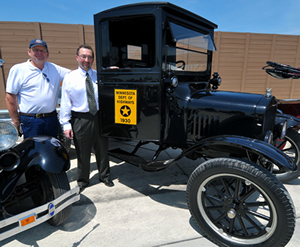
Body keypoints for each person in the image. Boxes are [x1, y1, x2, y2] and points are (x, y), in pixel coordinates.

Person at [60, 44, 113, 192]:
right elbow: (65, 102)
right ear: (77, 58)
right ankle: (83, 180)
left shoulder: (99, 76)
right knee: (82, 152)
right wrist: (66, 124)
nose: (86, 60)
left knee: (102, 149)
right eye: (83, 56)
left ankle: (105, 176)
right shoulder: (70, 78)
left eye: (90, 57)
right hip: (81, 119)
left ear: (93, 59)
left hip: (99, 117)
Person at [5, 39, 70, 139]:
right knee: (32, 150)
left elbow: (75, 75)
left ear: (47, 54)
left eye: (42, 50)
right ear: (29, 52)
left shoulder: (55, 69)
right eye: (36, 50)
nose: (39, 53)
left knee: (51, 149)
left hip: (51, 119)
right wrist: (16, 122)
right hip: (31, 120)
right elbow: (10, 97)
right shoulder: (18, 69)